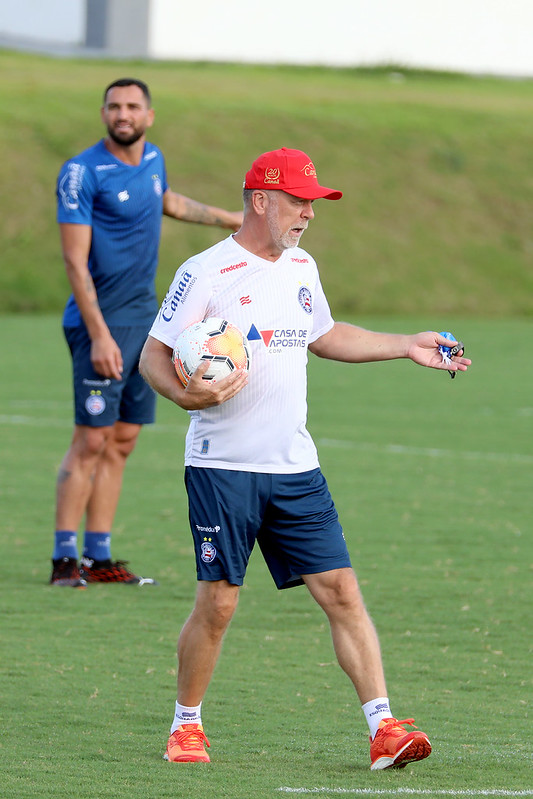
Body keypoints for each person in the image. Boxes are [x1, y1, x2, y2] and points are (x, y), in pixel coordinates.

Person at [139, 147, 471, 769]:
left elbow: (324, 336)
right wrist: (188, 393)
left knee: (342, 592)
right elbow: (153, 357)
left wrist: (407, 345)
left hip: (295, 468)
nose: (309, 214)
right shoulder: (206, 271)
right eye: (298, 201)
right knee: (220, 601)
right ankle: (187, 725)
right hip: (223, 467)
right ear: (261, 199)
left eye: (313, 203)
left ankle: (383, 728)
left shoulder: (301, 266)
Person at [50, 78, 243, 588]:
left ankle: (100, 557)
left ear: (149, 115)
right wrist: (99, 335)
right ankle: (64, 560)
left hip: (147, 323)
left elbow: (168, 201)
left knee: (123, 440)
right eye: (114, 105)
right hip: (100, 325)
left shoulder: (153, 159)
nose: (123, 113)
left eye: (133, 106)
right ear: (103, 112)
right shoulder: (81, 172)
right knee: (91, 440)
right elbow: (74, 261)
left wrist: (234, 221)